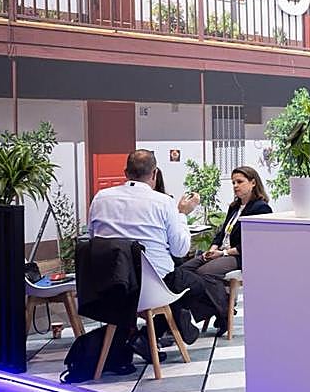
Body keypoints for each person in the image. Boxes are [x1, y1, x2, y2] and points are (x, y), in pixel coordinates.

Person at [88, 149, 212, 348]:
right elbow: (180, 250)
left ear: (126, 173)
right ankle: (147, 336)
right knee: (195, 285)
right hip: (151, 286)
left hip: (109, 285)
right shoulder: (163, 202)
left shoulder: (100, 198)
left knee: (179, 281)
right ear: (154, 173)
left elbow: (93, 238)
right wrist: (182, 214)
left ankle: (148, 334)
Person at [177, 166, 272, 332]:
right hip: (220, 251)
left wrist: (223, 253)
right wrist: (213, 248)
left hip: (239, 255)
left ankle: (223, 312)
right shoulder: (234, 207)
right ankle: (215, 309)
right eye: (233, 182)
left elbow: (253, 244)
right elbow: (222, 233)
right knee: (181, 272)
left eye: (240, 182)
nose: (235, 185)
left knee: (204, 272)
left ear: (253, 183)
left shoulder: (260, 208)